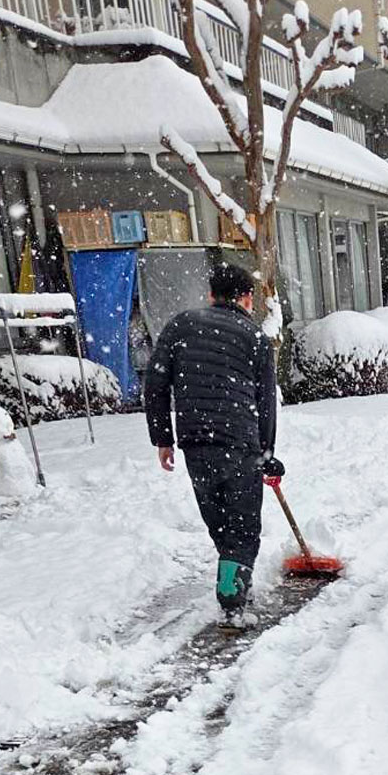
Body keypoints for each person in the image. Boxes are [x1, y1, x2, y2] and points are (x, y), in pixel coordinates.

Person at [144, 262, 284, 621]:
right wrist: (267, 451)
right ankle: (232, 596)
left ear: (211, 295)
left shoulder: (180, 325)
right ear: (247, 298)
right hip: (240, 442)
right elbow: (265, 401)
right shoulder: (254, 337)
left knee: (218, 517)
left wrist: (164, 439)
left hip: (196, 442)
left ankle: (231, 579)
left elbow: (156, 384)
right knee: (244, 523)